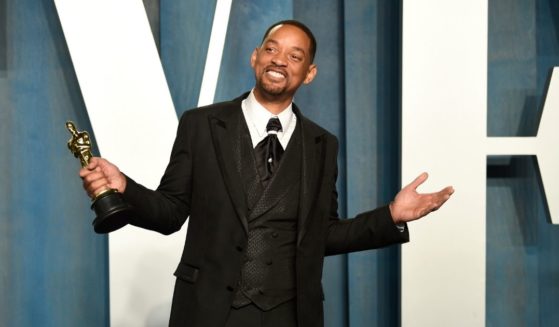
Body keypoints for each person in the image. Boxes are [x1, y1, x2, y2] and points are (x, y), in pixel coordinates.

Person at [79, 20, 454, 327]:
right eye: (272, 49)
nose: (279, 60)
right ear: (255, 56)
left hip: (290, 315)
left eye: (295, 56)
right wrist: (124, 186)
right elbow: (170, 212)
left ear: (309, 74)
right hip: (210, 313)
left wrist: (390, 216)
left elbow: (322, 235)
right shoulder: (201, 125)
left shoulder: (324, 145)